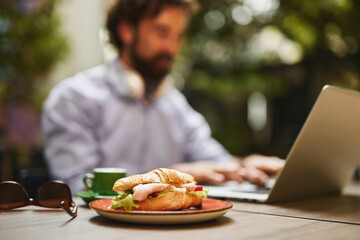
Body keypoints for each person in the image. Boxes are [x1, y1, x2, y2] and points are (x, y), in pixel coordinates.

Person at [42, 0, 284, 194]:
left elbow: (212, 160)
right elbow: (76, 186)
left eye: (178, 36)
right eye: (162, 32)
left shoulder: (172, 102)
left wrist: (244, 166)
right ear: (126, 31)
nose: (172, 48)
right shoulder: (73, 98)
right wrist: (171, 176)